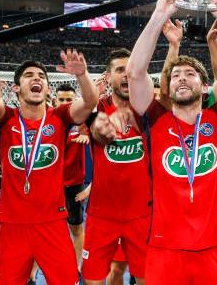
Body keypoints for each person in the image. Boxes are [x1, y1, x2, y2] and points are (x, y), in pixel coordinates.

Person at [121, 0, 217, 284]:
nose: (182, 77)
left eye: (190, 74)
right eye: (176, 75)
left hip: (214, 247)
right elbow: (134, 74)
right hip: (164, 247)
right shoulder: (154, 120)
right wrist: (157, 16)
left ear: (204, 86)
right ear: (167, 88)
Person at [0, 51, 98, 285]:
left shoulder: (59, 117)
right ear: (17, 88)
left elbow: (90, 102)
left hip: (52, 223)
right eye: (29, 75)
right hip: (12, 226)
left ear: (48, 89)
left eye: (41, 76)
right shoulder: (6, 118)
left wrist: (82, 75)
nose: (36, 78)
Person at [82, 48, 151, 285]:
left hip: (142, 214)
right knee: (93, 279)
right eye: (120, 70)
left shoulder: (147, 111)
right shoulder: (95, 110)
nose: (126, 75)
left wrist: (173, 47)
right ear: (108, 76)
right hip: (102, 215)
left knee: (147, 278)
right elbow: (90, 125)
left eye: (130, 70)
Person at [28, 83, 91, 284]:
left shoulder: (84, 122)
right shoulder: (47, 120)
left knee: (76, 227)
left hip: (73, 185)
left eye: (69, 100)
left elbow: (101, 141)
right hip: (48, 184)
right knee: (39, 230)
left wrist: (87, 135)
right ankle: (32, 272)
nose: (65, 103)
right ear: (54, 100)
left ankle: (76, 266)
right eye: (61, 99)